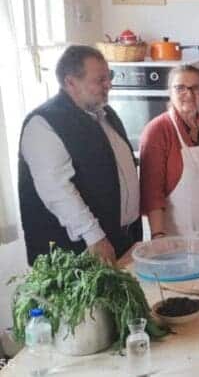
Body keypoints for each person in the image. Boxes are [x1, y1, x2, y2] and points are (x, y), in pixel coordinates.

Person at [18, 45, 140, 264]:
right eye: (100, 80)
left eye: (109, 76)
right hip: (79, 251)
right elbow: (57, 189)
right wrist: (94, 236)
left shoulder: (106, 114)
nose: (109, 84)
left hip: (121, 239)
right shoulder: (43, 123)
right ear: (71, 82)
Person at [139, 65, 199, 239]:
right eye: (180, 88)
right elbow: (152, 193)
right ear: (170, 92)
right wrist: (158, 237)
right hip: (177, 238)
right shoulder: (157, 130)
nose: (189, 94)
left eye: (196, 88)